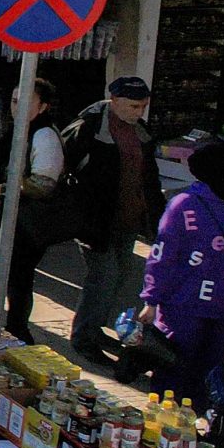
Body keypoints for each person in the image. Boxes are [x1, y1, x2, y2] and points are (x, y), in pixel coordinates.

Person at [139, 141, 224, 403]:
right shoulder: (184, 205)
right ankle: (162, 425)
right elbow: (162, 257)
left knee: (209, 373)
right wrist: (151, 301)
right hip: (182, 308)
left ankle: (198, 424)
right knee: (173, 368)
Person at [59, 76, 162, 364]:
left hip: (127, 221)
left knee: (118, 277)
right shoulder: (88, 128)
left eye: (142, 106)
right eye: (132, 106)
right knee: (102, 280)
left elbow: (148, 179)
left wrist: (155, 218)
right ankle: (84, 338)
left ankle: (95, 328)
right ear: (114, 101)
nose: (137, 112)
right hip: (96, 221)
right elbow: (63, 167)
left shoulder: (140, 131)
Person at [0, 75, 66, 345]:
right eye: (14, 100)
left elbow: (44, 184)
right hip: (7, 215)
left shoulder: (43, 135)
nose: (16, 106)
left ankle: (18, 331)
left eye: (25, 102)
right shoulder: (16, 129)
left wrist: (6, 189)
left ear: (42, 106)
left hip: (28, 222)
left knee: (19, 277)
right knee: (12, 275)